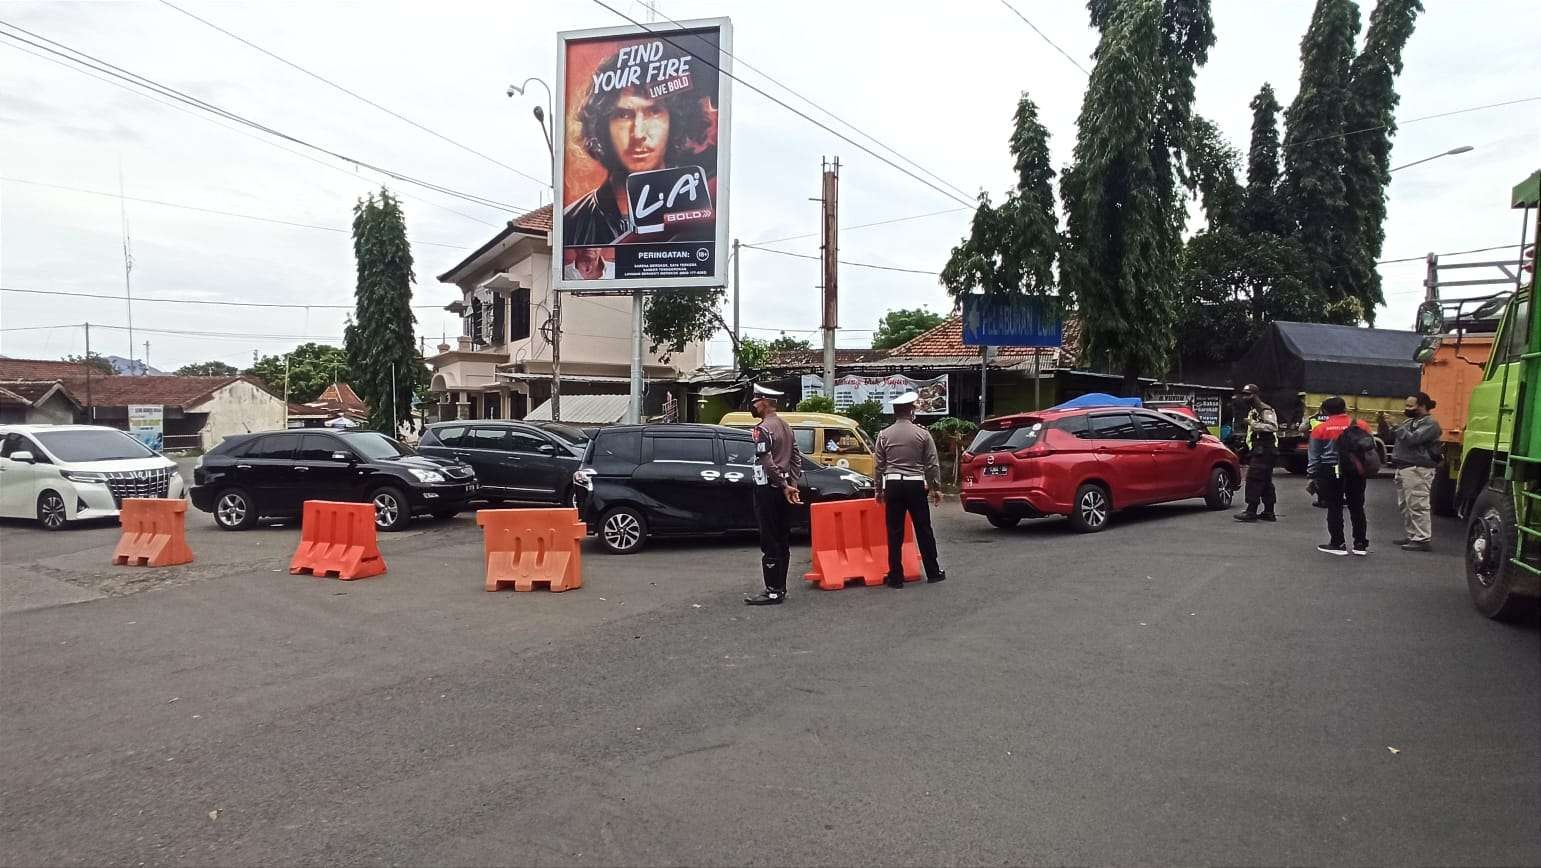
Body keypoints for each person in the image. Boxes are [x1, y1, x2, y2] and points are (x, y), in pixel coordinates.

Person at [563, 47, 715, 246]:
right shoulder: (571, 223)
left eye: (654, 112)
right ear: (602, 125)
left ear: (676, 121)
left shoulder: (701, 213)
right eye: (624, 115)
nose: (638, 133)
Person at [873, 391, 946, 588]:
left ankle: (895, 576)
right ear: (911, 411)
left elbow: (879, 466)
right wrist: (935, 488)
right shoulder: (922, 434)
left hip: (893, 485)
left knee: (894, 531)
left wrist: (878, 490)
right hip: (915, 485)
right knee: (923, 528)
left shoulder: (884, 434)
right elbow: (932, 464)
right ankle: (933, 571)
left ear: (895, 412)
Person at [744, 384, 802, 606]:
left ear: (765, 402)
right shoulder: (786, 426)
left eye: (755, 402)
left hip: (768, 488)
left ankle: (772, 591)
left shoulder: (761, 429)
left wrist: (782, 483)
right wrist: (791, 484)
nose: (753, 405)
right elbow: (796, 456)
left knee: (769, 540)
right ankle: (781, 587)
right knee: (782, 538)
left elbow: (766, 460)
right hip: (783, 489)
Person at [1378, 392, 1444, 552]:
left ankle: (1422, 538)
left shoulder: (1431, 424)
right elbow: (1390, 437)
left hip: (1418, 468)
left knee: (1417, 504)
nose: (1406, 408)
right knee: (1406, 504)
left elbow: (1413, 439)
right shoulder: (1410, 421)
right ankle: (1412, 535)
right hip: (1404, 467)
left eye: (1410, 406)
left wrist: (1396, 426)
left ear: (1421, 406)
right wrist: (1383, 424)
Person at [1308, 396, 1373, 556]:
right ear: (1345, 409)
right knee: (1357, 507)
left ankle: (1338, 543)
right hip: (1355, 470)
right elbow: (1369, 448)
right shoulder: (1361, 425)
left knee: (1334, 507)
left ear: (1325, 411)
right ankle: (1360, 544)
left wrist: (1312, 476)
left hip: (1331, 470)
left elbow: (1314, 456)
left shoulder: (1321, 429)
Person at [1234, 384, 1280, 523]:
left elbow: (1273, 426)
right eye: (1244, 394)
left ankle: (1251, 510)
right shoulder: (1253, 410)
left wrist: (1253, 424)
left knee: (1254, 478)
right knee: (1265, 481)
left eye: (1248, 394)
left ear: (1255, 395)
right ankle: (1269, 511)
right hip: (1259, 449)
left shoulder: (1265, 409)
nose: (1245, 397)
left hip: (1265, 450)